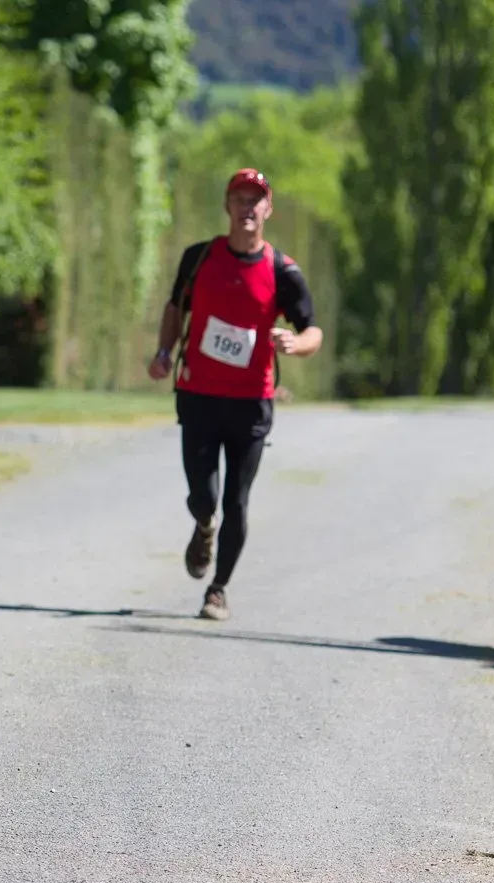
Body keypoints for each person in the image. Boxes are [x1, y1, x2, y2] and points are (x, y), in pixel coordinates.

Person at [147, 168, 323, 622]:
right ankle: (203, 526)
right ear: (227, 207)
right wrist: (165, 351)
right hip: (199, 393)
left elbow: (313, 331)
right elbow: (175, 307)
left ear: (268, 210)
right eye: (240, 198)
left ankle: (218, 590)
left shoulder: (282, 271)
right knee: (203, 497)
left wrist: (295, 344)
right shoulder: (199, 258)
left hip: (251, 403)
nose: (248, 207)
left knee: (238, 500)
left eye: (256, 200)